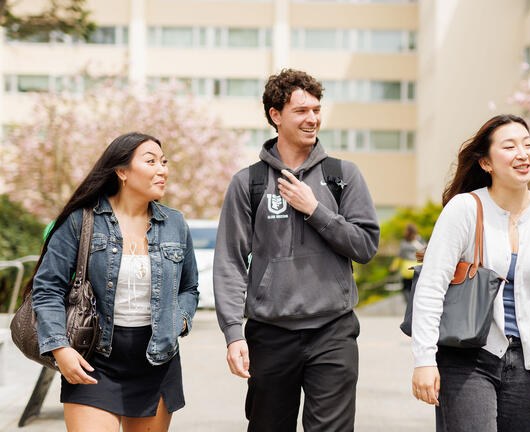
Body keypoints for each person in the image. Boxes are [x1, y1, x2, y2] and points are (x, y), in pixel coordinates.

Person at [213, 68, 380, 431]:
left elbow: (366, 246)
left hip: (333, 331)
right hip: (270, 333)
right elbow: (230, 262)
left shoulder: (343, 176)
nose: (312, 118)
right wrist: (233, 332)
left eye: (316, 110)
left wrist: (315, 210)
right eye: (301, 110)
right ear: (275, 115)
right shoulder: (249, 182)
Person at [411, 114, 530, 432]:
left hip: (526, 364)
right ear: (486, 163)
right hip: (467, 358)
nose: (523, 154)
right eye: (509, 146)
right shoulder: (464, 208)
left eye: (528, 144)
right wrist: (424, 360)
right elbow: (431, 287)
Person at [30, 132, 199, 432]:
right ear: (121, 171)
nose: (163, 170)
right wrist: (60, 348)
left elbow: (189, 288)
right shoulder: (81, 220)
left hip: (157, 359)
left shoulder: (175, 223)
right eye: (151, 162)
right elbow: (47, 288)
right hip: (94, 359)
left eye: (164, 162)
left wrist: (180, 320)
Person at [389, 223, 425, 302]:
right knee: (417, 290)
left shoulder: (404, 243)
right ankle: (415, 304)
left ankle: (409, 304)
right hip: (418, 269)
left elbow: (399, 256)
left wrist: (394, 266)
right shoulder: (420, 240)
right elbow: (425, 252)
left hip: (407, 270)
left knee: (406, 289)